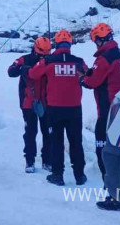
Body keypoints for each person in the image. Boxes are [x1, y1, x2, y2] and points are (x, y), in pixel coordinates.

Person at [81, 23, 120, 212]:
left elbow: (92, 81)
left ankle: (113, 194)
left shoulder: (103, 59)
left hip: (108, 113)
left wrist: (83, 78)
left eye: (95, 40)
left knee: (105, 152)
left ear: (99, 40)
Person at [28, 30, 88, 186]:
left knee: (57, 142)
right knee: (76, 142)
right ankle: (79, 175)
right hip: (75, 108)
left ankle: (57, 175)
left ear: (55, 44)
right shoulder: (78, 61)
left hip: (54, 108)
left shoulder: (48, 61)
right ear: (69, 44)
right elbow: (88, 76)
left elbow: (33, 74)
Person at [7, 37, 51, 173]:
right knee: (30, 132)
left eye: (46, 53)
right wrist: (21, 69)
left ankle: (47, 160)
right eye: (42, 53)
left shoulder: (51, 59)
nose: (44, 56)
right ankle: (29, 160)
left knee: (48, 133)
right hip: (28, 102)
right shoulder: (24, 59)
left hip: (46, 102)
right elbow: (10, 71)